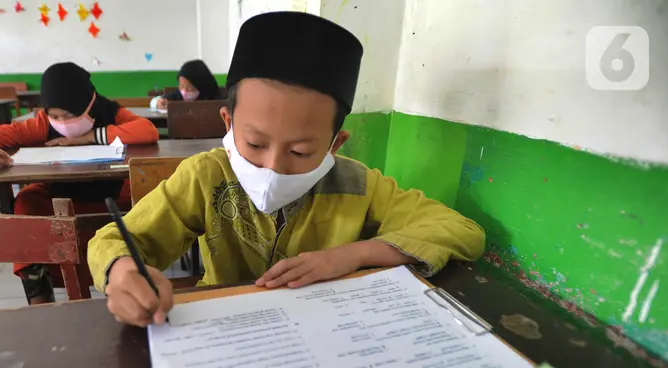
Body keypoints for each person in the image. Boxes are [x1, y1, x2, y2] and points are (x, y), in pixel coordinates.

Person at [88, 12, 486, 327]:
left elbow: (462, 231)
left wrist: (352, 255)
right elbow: (115, 240)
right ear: (227, 122)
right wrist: (123, 274)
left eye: (300, 151)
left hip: (328, 332)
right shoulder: (205, 176)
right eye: (255, 143)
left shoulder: (358, 185)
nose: (272, 168)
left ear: (335, 144)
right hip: (227, 327)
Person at [0, 61, 160, 305]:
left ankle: (127, 280)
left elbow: (147, 130)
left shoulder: (111, 112)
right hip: (58, 197)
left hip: (112, 194)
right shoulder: (43, 124)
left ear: (89, 104)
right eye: (55, 116)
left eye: (70, 115)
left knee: (141, 205)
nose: (62, 123)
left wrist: (89, 137)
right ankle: (39, 297)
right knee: (27, 201)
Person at [150, 59, 223, 109]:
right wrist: (158, 102)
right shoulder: (177, 95)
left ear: (201, 86)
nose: (184, 91)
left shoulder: (212, 97)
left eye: (189, 88)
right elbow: (154, 101)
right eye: (181, 86)